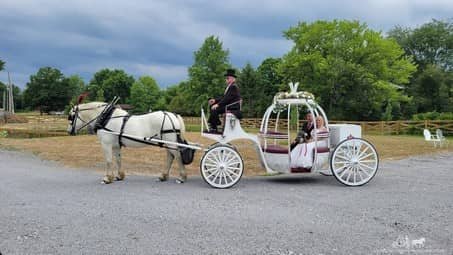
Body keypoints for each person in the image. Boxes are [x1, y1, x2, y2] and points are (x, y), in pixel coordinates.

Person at [207, 68, 242, 132]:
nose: (226, 79)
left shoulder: (233, 87)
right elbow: (224, 98)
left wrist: (218, 104)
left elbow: (227, 99)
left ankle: (214, 126)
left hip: (232, 107)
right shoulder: (229, 87)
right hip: (228, 105)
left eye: (227, 78)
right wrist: (215, 100)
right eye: (226, 78)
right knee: (212, 106)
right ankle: (214, 124)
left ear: (232, 79)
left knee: (214, 108)